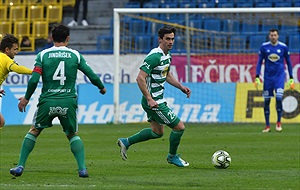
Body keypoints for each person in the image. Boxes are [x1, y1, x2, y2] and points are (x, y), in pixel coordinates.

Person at [10, 24, 107, 178]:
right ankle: (82, 169)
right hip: (67, 101)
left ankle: (20, 166)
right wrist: (101, 88)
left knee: (34, 131)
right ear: (68, 38)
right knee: (72, 134)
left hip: (47, 101)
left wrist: (26, 98)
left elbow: (34, 80)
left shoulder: (43, 55)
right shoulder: (75, 55)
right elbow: (91, 75)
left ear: (52, 38)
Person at [117, 25, 191, 167]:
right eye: (167, 39)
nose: (170, 42)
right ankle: (172, 156)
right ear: (160, 39)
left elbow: (167, 75)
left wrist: (181, 87)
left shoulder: (167, 56)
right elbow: (140, 78)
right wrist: (150, 98)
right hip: (154, 101)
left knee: (157, 132)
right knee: (179, 127)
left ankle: (126, 142)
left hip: (155, 100)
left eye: (172, 39)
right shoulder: (154, 56)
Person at [254, 28, 294, 133]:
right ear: (269, 36)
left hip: (279, 77)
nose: (273, 37)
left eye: (275, 35)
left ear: (278, 36)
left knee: (279, 98)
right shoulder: (264, 47)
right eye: (271, 35)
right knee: (267, 101)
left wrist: (291, 78)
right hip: (268, 78)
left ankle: (278, 123)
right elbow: (259, 62)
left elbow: (289, 63)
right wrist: (257, 76)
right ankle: (267, 125)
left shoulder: (283, 47)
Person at [0, 34, 33, 129]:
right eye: (15, 49)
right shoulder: (6, 60)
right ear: (7, 50)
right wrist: (33, 72)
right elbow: (17, 69)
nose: (17, 52)